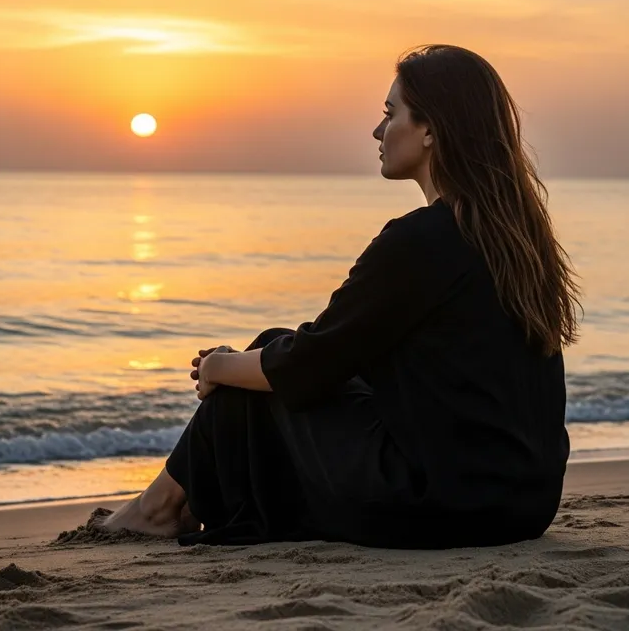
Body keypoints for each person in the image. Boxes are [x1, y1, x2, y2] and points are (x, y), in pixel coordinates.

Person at [96, 44, 581, 548]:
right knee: (271, 350)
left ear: (432, 130)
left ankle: (159, 507)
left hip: (444, 504)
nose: (377, 131)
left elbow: (311, 366)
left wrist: (219, 367)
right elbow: (346, 356)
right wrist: (250, 362)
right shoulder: (517, 239)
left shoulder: (420, 241)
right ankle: (168, 503)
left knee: (262, 367)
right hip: (524, 504)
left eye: (391, 114)